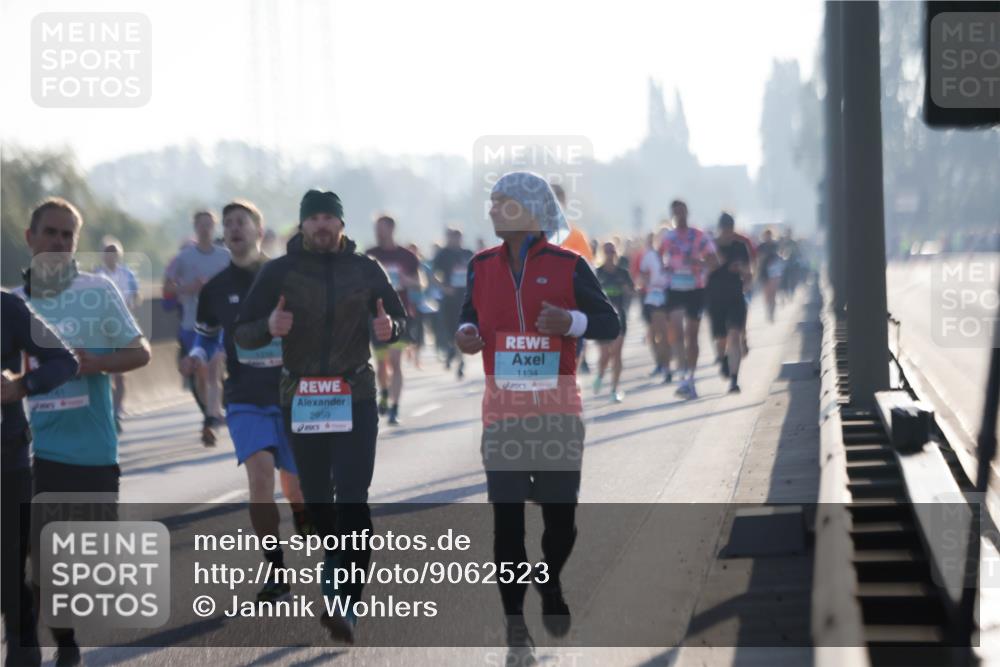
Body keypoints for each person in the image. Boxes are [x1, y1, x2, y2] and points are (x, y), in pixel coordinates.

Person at [455, 172, 619, 663]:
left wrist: (571, 322)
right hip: (502, 414)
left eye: (501, 203)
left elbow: (611, 323)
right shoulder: (479, 265)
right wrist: (464, 333)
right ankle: (515, 630)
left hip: (558, 412)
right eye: (491, 202)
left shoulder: (569, 264)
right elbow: (469, 316)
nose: (491, 210)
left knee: (560, 522)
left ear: (527, 211)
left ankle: (548, 580)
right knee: (506, 524)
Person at [235, 189, 406, 644]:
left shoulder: (366, 270)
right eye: (314, 219)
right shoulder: (279, 271)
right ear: (302, 225)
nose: (322, 225)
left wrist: (390, 329)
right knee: (316, 498)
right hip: (303, 397)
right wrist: (267, 329)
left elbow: (402, 321)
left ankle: (343, 598)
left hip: (355, 393)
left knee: (352, 494)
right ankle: (336, 570)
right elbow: (243, 334)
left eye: (330, 217)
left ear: (342, 225)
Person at [15, 197, 151, 666]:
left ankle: (60, 626)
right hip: (36, 447)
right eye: (49, 232)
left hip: (93, 448)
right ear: (30, 238)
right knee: (37, 548)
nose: (57, 242)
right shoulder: (14, 304)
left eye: (66, 235)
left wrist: (96, 363)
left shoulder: (98, 291)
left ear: (76, 243)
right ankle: (44, 641)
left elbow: (141, 353)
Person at [180, 200, 310, 603]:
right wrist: (199, 355)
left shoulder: (288, 278)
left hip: (292, 397)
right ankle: (275, 570)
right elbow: (207, 335)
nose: (235, 228)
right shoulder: (215, 289)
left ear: (259, 228)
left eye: (243, 222)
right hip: (246, 399)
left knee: (297, 490)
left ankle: (307, 521)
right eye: (229, 223)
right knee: (260, 477)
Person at [2, 290, 79, 667]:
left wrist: (21, 386)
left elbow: (64, 360)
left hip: (6, 459)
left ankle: (23, 644)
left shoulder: (8, 308)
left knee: (9, 563)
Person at [164, 211, 230, 445]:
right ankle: (208, 415)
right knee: (201, 374)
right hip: (191, 325)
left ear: (214, 227)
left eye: (208, 225)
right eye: (200, 225)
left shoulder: (225, 256)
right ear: (195, 227)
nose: (205, 229)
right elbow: (168, 288)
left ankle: (210, 420)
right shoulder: (183, 257)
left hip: (219, 325)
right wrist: (189, 288)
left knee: (213, 368)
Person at [660, 199, 718, 399]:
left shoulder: (699, 236)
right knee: (677, 334)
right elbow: (660, 260)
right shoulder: (668, 238)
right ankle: (682, 375)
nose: (680, 216)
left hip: (695, 288)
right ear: (673, 215)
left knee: (692, 336)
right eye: (676, 213)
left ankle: (691, 378)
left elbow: (713, 262)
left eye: (682, 212)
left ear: (687, 212)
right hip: (675, 289)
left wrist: (696, 262)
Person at [365, 215, 420, 425]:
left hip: (400, 315)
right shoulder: (370, 255)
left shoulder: (406, 256)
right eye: (376, 228)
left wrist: (407, 281)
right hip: (376, 317)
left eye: (381, 228)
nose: (378, 232)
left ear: (391, 229)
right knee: (381, 364)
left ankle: (395, 407)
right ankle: (385, 393)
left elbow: (419, 282)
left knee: (395, 362)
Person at [95, 236, 141, 434]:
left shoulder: (127, 274)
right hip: (103, 329)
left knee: (121, 375)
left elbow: (136, 298)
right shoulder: (96, 275)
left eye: (114, 251)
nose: (110, 255)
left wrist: (128, 310)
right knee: (107, 372)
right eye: (107, 251)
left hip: (123, 328)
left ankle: (117, 411)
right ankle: (109, 410)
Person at [705, 213, 753, 394]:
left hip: (735, 297)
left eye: (730, 228)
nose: (727, 232)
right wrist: (717, 262)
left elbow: (749, 273)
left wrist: (743, 275)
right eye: (724, 229)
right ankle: (722, 358)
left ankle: (734, 380)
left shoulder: (740, 246)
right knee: (721, 338)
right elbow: (705, 268)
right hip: (715, 297)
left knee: (734, 335)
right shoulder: (712, 246)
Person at [594, 241, 634, 402]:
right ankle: (600, 375)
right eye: (607, 252)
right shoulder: (597, 273)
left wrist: (628, 289)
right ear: (602, 254)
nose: (610, 255)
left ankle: (614, 389)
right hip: (602, 318)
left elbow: (632, 291)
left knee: (617, 354)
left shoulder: (623, 273)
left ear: (616, 254)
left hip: (619, 317)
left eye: (612, 252)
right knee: (605, 355)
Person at [431, 228, 474, 379]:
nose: (455, 240)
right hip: (449, 300)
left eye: (457, 237)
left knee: (462, 330)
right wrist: (443, 287)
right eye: (451, 237)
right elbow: (432, 274)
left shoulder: (468, 253)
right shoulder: (442, 255)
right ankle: (451, 350)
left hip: (466, 300)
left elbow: (478, 273)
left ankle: (460, 362)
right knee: (451, 331)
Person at [639, 230, 672, 381]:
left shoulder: (674, 254)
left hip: (673, 296)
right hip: (655, 298)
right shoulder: (650, 256)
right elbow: (642, 274)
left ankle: (666, 365)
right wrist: (650, 285)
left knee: (668, 335)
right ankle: (664, 367)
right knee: (658, 335)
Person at [757, 228, 782, 323]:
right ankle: (768, 310)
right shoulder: (761, 246)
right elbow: (758, 259)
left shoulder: (775, 245)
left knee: (773, 293)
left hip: (774, 271)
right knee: (767, 294)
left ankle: (772, 312)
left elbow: (780, 255)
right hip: (764, 272)